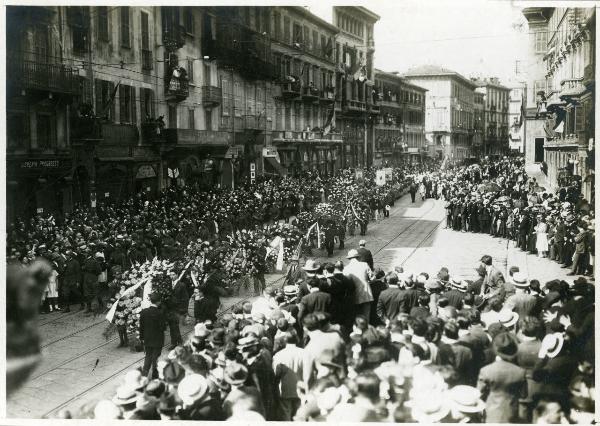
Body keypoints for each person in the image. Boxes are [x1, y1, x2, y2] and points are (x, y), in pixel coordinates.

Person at [139, 292, 166, 379]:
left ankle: (144, 375)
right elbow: (163, 327)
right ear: (159, 302)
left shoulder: (143, 312)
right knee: (155, 358)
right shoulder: (160, 313)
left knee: (148, 356)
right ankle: (155, 376)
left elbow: (141, 327)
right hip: (158, 339)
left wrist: (142, 338)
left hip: (147, 338)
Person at [343, 249, 373, 323]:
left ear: (349, 258)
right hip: (366, 294)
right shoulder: (364, 264)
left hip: (354, 295)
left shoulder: (346, 269)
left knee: (356, 316)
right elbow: (372, 277)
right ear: (358, 257)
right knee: (366, 315)